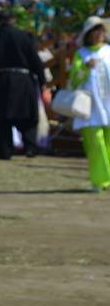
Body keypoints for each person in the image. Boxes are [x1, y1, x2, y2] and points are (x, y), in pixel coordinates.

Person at [0, 11, 46, 159]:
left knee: (1, 118)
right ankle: (30, 147)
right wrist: (42, 80)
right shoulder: (24, 37)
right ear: (13, 20)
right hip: (22, 80)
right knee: (27, 117)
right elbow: (35, 60)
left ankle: (4, 150)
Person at [65, 17, 110, 191]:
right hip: (91, 106)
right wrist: (85, 67)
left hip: (108, 103)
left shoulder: (108, 51)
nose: (99, 34)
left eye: (101, 30)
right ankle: (100, 179)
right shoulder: (82, 54)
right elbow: (74, 80)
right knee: (95, 142)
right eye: (96, 31)